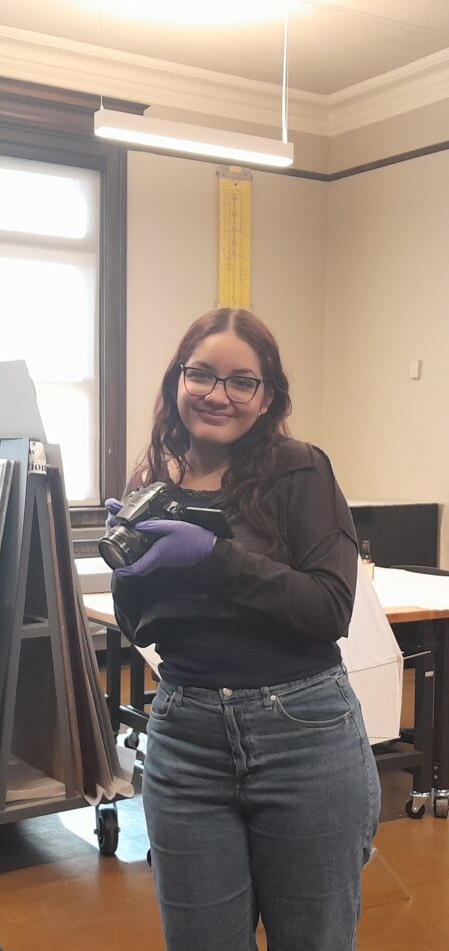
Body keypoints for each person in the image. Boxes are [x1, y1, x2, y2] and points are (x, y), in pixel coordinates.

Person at [108, 308, 378, 951]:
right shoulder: (155, 480)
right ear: (178, 380)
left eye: (240, 381)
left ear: (267, 397)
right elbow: (138, 624)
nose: (217, 394)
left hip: (302, 735)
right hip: (185, 735)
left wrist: (214, 557)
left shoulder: (301, 469)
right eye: (201, 374)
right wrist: (127, 568)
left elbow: (329, 608)